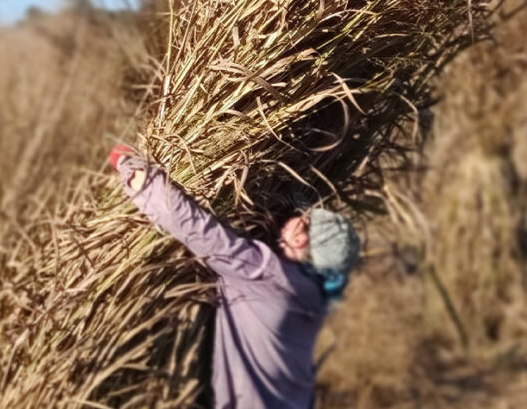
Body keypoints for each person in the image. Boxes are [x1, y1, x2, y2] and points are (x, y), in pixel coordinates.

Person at [108, 144, 362, 409]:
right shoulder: (313, 301)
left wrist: (128, 166)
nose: (295, 217)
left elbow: (192, 226)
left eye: (304, 220)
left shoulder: (266, 275)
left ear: (301, 239)